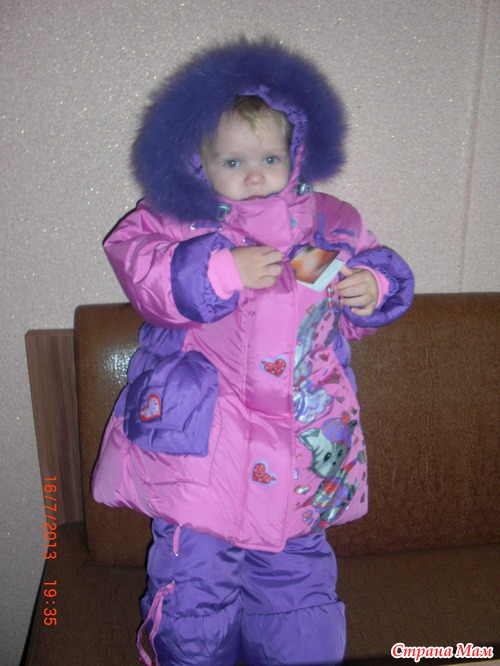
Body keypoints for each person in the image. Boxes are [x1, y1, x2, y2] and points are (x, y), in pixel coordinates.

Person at [92, 39, 414, 665]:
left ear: (298, 154)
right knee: (194, 585)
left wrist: (371, 289)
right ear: (197, 161)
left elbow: (365, 280)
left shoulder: (325, 226)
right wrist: (219, 270)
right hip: (202, 453)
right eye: (234, 161)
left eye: (269, 157)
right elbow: (145, 274)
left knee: (297, 584)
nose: (256, 175)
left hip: (301, 447)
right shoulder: (173, 221)